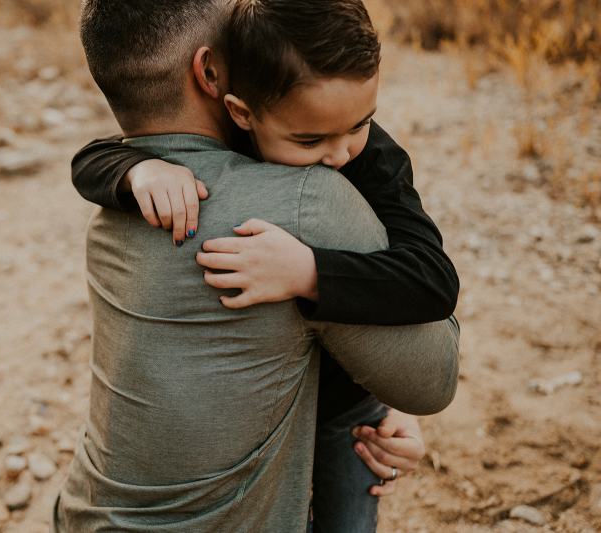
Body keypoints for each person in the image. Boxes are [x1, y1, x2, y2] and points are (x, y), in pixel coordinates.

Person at [52, 0, 460, 531]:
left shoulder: (360, 156)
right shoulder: (276, 153)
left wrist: (310, 273)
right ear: (220, 83)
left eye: (360, 125)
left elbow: (431, 278)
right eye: (311, 140)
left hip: (343, 398)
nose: (341, 155)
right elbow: (91, 158)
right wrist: (135, 168)